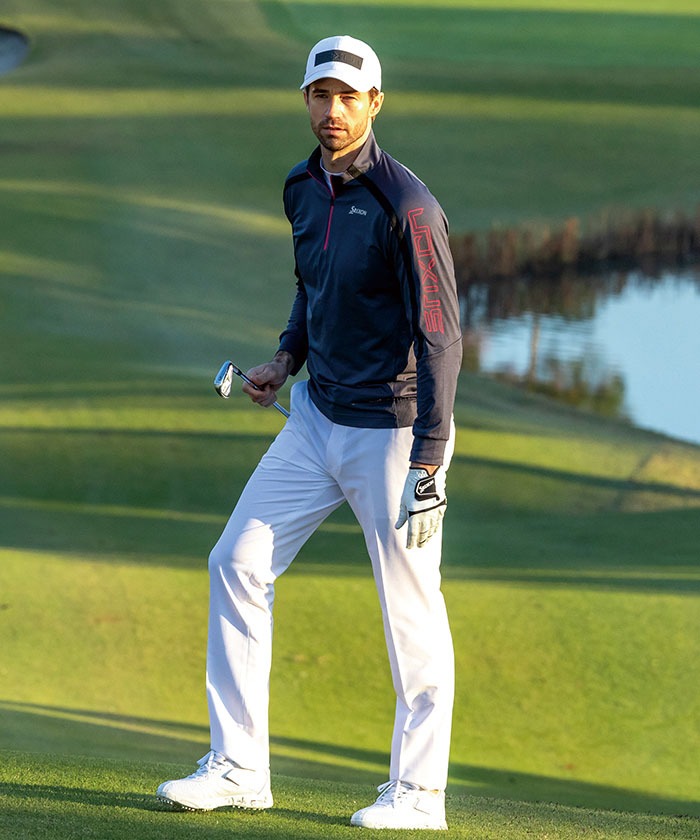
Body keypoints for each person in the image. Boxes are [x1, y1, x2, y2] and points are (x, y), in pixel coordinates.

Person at [156, 34, 463, 831]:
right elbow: (313, 288)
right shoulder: (301, 187)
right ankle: (238, 768)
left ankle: (419, 795)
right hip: (316, 417)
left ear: (375, 104)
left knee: (410, 613)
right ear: (305, 99)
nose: (333, 110)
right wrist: (284, 360)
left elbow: (440, 337)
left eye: (348, 97)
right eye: (321, 95)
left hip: (393, 435)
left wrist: (429, 461)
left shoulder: (408, 207)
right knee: (236, 562)